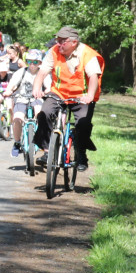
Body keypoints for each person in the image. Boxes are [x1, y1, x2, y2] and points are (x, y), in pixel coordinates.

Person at [32, 26, 104, 172]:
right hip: (59, 93)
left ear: (74, 42)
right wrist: (37, 88)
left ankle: (81, 154)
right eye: (57, 40)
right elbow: (42, 72)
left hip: (81, 96)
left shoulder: (87, 54)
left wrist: (89, 96)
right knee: (44, 113)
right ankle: (47, 151)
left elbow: (93, 77)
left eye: (62, 41)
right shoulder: (54, 51)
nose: (58, 43)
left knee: (83, 124)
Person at [3, 48, 47, 157]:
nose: (32, 64)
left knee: (40, 115)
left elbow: (49, 87)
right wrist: (8, 90)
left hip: (37, 99)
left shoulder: (43, 73)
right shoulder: (21, 72)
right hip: (21, 99)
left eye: (35, 62)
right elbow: (12, 84)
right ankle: (17, 143)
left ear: (40, 63)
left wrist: (45, 92)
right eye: (29, 61)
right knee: (17, 118)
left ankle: (41, 138)